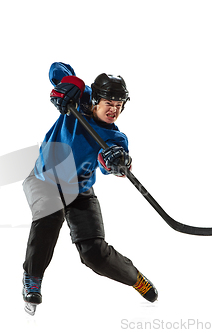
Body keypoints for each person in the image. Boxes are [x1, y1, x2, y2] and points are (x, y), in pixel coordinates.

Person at [21, 62, 158, 315]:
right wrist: (69, 86)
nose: (114, 111)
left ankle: (134, 277)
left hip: (79, 191)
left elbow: (110, 164)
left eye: (119, 106)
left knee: (94, 253)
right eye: (109, 104)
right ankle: (33, 277)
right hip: (44, 181)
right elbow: (57, 69)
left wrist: (118, 161)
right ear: (95, 100)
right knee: (49, 214)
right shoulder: (79, 98)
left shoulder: (114, 138)